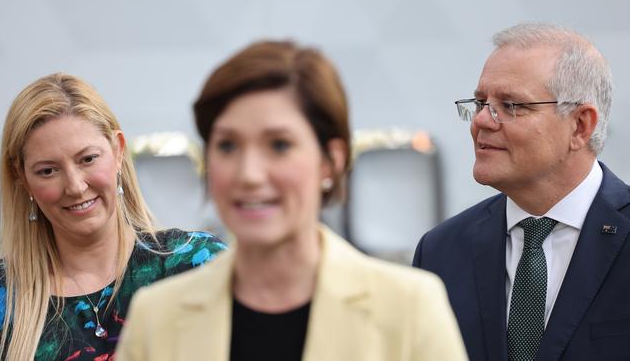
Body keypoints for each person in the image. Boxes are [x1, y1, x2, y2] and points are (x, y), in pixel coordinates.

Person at [116, 40, 467, 361]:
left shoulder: (409, 308)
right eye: (227, 146)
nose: (249, 174)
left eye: (279, 145)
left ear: (331, 159)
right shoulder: (157, 316)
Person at [413, 23, 629, 360]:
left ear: (580, 125)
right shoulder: (441, 251)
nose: (482, 121)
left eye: (512, 105)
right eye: (481, 102)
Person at [0, 73, 226, 360]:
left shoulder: (195, 265)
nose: (74, 186)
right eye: (48, 170)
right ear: (21, 177)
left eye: (87, 159)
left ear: (118, 150)